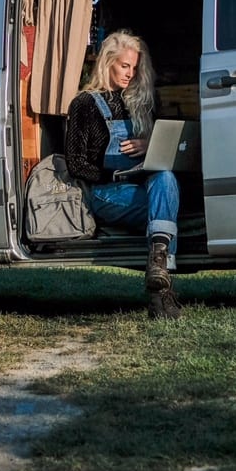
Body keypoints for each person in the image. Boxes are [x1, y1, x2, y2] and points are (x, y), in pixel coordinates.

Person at [65, 30, 182, 319]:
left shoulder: (138, 104)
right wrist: (113, 171)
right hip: (106, 192)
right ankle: (162, 295)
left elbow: (161, 156)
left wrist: (148, 146)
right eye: (124, 66)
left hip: (143, 185)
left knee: (166, 179)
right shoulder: (84, 104)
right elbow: (76, 164)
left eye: (134, 67)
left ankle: (158, 269)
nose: (130, 74)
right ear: (108, 63)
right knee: (165, 211)